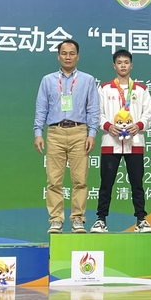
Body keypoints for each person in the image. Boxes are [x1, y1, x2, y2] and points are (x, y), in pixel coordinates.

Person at [34, 39, 100, 234]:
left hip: (79, 132)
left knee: (80, 180)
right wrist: (38, 132)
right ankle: (56, 219)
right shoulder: (48, 80)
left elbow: (93, 109)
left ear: (77, 56)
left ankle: (78, 218)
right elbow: (41, 108)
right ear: (58, 56)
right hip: (55, 132)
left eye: (72, 53)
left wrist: (92, 133)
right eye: (64, 53)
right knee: (54, 180)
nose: (68, 57)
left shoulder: (87, 80)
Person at [91, 49, 151, 233]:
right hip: (110, 142)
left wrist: (139, 125)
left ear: (131, 65)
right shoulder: (104, 88)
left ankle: (141, 220)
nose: (123, 65)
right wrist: (108, 126)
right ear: (114, 66)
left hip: (135, 143)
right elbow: (97, 113)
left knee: (137, 184)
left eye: (126, 62)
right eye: (119, 63)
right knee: (106, 183)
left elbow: (148, 114)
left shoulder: (141, 89)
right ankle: (101, 220)